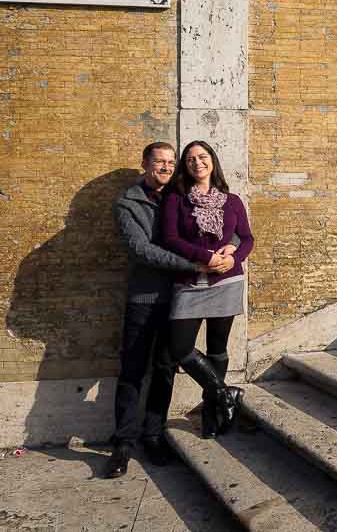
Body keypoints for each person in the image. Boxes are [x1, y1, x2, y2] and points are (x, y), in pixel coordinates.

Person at [106, 142, 236, 478]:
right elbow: (142, 250)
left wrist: (229, 250)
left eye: (169, 162)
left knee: (165, 367)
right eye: (158, 162)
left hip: (181, 297)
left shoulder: (183, 196)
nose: (165, 167)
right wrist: (196, 265)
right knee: (132, 370)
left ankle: (153, 434)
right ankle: (122, 443)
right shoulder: (128, 203)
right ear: (145, 164)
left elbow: (226, 227)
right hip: (146, 297)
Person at [163, 140, 254, 439]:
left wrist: (232, 258)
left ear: (213, 161)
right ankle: (226, 393)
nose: (197, 163)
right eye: (190, 159)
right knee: (179, 348)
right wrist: (207, 258)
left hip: (226, 281)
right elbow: (170, 238)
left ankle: (212, 415)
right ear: (185, 166)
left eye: (203, 157)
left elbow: (247, 239)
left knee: (218, 348)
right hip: (190, 282)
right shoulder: (177, 199)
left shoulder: (233, 201)